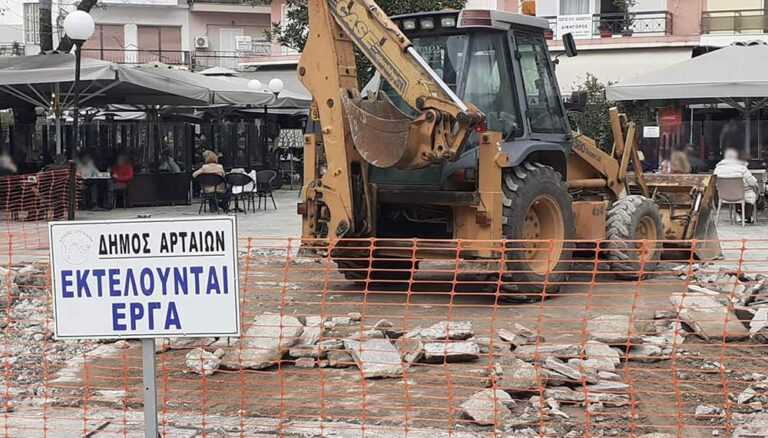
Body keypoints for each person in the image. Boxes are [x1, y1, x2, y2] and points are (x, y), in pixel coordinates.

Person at [714, 148, 759, 223]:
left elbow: (715, 184)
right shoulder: (741, 168)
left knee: (742, 192)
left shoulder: (717, 169)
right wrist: (756, 187)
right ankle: (747, 216)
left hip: (724, 195)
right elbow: (752, 182)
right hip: (740, 195)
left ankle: (738, 213)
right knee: (751, 193)